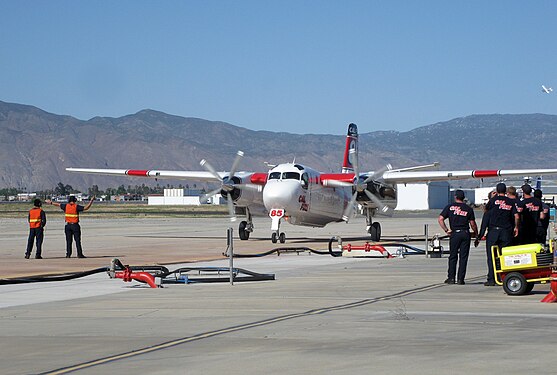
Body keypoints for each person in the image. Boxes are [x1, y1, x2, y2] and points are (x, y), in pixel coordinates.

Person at [438, 190, 479, 285]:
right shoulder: (468, 208)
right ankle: (461, 279)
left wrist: (446, 230)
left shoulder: (450, 207)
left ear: (455, 197)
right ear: (463, 198)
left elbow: (440, 219)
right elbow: (473, 224)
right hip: (465, 233)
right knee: (463, 257)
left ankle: (451, 278)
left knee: (453, 256)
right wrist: (476, 234)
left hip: (455, 233)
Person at [482, 182, 519, 286]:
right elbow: (516, 216)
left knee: (491, 256)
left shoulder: (492, 201)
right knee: (504, 256)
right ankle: (504, 277)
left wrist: (481, 233)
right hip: (506, 232)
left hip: (493, 231)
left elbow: (486, 213)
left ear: (497, 191)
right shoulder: (510, 202)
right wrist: (516, 227)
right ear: (505, 191)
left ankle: (491, 279)